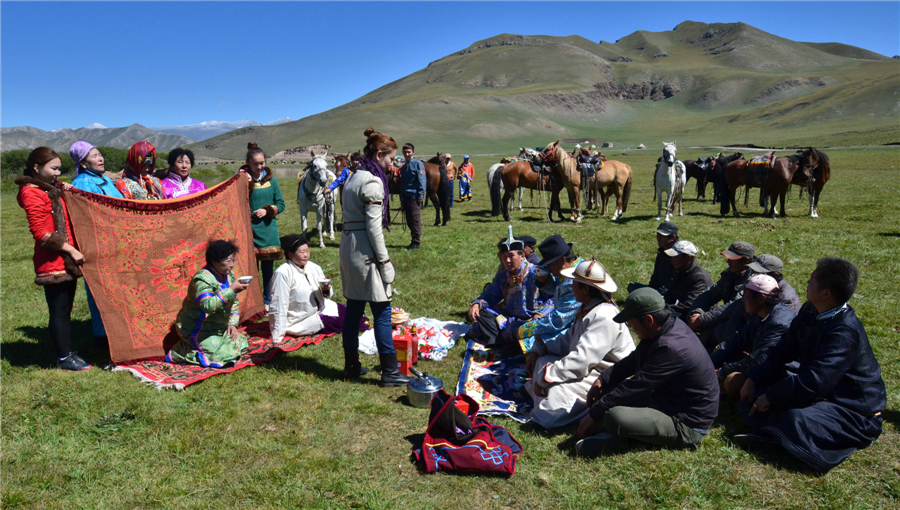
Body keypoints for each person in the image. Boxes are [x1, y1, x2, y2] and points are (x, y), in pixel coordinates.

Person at [735, 258, 885, 473]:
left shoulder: (844, 332)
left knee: (796, 418)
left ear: (826, 294)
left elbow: (815, 382)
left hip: (853, 409)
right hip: (820, 395)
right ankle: (778, 432)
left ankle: (777, 435)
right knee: (762, 387)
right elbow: (783, 349)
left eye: (812, 281)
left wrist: (771, 396)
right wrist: (754, 377)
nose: (807, 282)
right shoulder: (810, 310)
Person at [575, 288, 719, 455]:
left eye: (632, 322)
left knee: (614, 416)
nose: (630, 326)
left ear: (649, 320)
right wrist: (604, 378)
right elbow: (636, 358)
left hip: (686, 423)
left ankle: (617, 441)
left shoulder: (671, 349)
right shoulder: (666, 326)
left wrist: (593, 414)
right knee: (607, 393)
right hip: (665, 400)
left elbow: (637, 385)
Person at [524, 259, 635, 429]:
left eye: (575, 283)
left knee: (554, 397)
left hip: (606, 376)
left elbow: (580, 361)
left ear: (585, 288)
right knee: (542, 362)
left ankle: (544, 403)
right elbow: (569, 339)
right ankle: (541, 394)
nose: (572, 286)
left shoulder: (604, 316)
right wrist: (537, 350)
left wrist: (545, 380)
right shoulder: (588, 308)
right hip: (590, 367)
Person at [340, 127, 411, 386]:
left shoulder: (352, 176)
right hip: (366, 253)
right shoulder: (371, 181)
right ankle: (390, 371)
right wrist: (384, 262)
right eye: (391, 158)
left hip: (349, 248)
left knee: (354, 310)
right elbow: (373, 229)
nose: (392, 164)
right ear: (380, 154)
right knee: (382, 311)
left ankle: (351, 366)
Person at [15, 147, 89, 371]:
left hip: (64, 259)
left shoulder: (48, 189)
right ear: (36, 168)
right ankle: (64, 357)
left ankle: (67, 352)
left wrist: (66, 190)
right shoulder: (32, 193)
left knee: (66, 309)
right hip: (53, 260)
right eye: (54, 168)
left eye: (59, 168)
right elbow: (41, 233)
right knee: (59, 311)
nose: (58, 173)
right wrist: (71, 250)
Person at [70, 142, 124, 346]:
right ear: (83, 163)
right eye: (94, 156)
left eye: (100, 154)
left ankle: (119, 331)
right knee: (102, 289)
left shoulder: (105, 180)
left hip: (116, 239)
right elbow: (87, 216)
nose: (100, 158)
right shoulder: (82, 183)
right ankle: (104, 337)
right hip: (99, 242)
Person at [268, 234, 369, 342]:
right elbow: (278, 305)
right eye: (302, 252)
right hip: (300, 320)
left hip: (322, 308)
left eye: (307, 251)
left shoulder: (313, 267)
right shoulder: (283, 273)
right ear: (291, 255)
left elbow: (326, 296)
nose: (306, 255)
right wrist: (277, 335)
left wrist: (326, 288)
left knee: (355, 314)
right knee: (351, 323)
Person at [166, 240, 250, 367]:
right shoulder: (202, 280)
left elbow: (234, 302)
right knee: (218, 355)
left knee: (240, 343)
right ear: (214, 261)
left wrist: (232, 323)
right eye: (228, 261)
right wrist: (231, 290)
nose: (232, 265)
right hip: (197, 328)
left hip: (217, 327)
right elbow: (207, 306)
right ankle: (180, 352)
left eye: (233, 260)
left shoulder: (228, 274)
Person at [711, 274, 796, 400]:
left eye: (746, 296)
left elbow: (758, 359)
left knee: (733, 381)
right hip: (759, 361)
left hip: (780, 374)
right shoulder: (759, 313)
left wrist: (722, 371)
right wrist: (708, 364)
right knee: (720, 349)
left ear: (761, 298)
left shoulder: (779, 323)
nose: (743, 300)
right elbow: (737, 340)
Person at [467, 226, 540, 352]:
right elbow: (490, 296)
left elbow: (553, 299)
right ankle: (504, 343)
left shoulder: (537, 274)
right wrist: (477, 304)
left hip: (532, 320)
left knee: (533, 330)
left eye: (511, 256)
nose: (507, 260)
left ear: (522, 256)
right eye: (504, 256)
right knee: (482, 312)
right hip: (510, 320)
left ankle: (508, 343)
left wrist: (539, 315)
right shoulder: (503, 277)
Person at [515, 235, 583, 352]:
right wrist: (546, 282)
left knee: (533, 341)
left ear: (562, 260)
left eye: (550, 264)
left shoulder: (574, 280)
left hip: (578, 330)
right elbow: (559, 291)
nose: (548, 268)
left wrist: (528, 328)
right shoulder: (569, 270)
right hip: (570, 322)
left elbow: (560, 319)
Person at [240, 142, 285, 305]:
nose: (259, 167)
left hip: (268, 231)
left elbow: (281, 203)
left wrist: (268, 210)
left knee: (267, 270)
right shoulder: (243, 180)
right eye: (255, 164)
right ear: (248, 163)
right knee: (251, 270)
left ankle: (267, 300)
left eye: (262, 163)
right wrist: (242, 180)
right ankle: (251, 301)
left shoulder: (271, 181)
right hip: (249, 230)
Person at [687, 241, 755, 348]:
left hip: (743, 325)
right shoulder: (730, 274)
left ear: (746, 260)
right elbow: (709, 294)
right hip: (727, 318)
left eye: (732, 259)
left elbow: (733, 306)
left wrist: (703, 319)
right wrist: (696, 312)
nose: (728, 261)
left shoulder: (753, 281)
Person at [661, 240, 713, 317]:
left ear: (687, 258)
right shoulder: (680, 269)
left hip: (696, 317)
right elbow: (671, 293)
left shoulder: (698, 278)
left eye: (675, 256)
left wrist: (663, 310)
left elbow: (689, 306)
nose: (672, 259)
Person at [627, 222, 678, 294]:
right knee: (631, 285)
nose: (658, 239)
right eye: (658, 235)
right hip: (657, 290)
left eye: (662, 236)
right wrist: (651, 290)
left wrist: (655, 293)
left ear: (673, 237)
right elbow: (655, 276)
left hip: (669, 293)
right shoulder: (661, 252)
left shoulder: (678, 256)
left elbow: (673, 283)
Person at [399, 143, 425, 250]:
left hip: (414, 196)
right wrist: (401, 198)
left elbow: (422, 180)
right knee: (409, 220)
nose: (407, 154)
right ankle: (413, 240)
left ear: (413, 152)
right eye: (405, 152)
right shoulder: (404, 167)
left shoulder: (418, 164)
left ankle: (416, 242)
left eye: (409, 152)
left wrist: (421, 194)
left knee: (415, 220)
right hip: (406, 196)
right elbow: (402, 183)